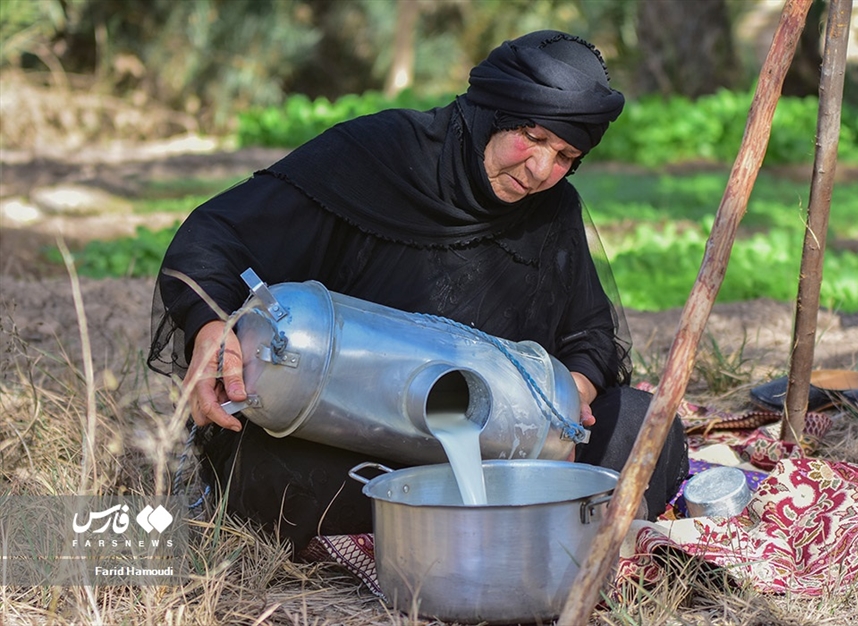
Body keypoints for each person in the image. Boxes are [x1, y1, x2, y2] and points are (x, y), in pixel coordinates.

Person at [148, 30, 688, 557]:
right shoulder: (377, 155)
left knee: (645, 428)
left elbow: (590, 332)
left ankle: (460, 520)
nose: (542, 169)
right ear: (492, 112)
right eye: (535, 137)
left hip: (494, 443)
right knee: (280, 481)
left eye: (566, 154)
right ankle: (511, 520)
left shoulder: (552, 208)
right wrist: (212, 324)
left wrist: (572, 394)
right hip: (349, 434)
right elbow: (213, 237)